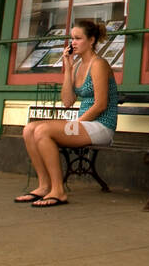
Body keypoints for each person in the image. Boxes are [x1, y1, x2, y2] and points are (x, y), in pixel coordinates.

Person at [15, 17, 119, 207]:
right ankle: (44, 186)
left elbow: (100, 104)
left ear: (91, 40)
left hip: (101, 126)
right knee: (29, 129)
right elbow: (68, 101)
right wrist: (68, 68)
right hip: (85, 124)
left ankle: (58, 190)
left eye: (78, 38)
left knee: (42, 131)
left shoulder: (99, 64)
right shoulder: (78, 65)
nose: (73, 43)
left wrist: (76, 124)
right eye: (72, 39)